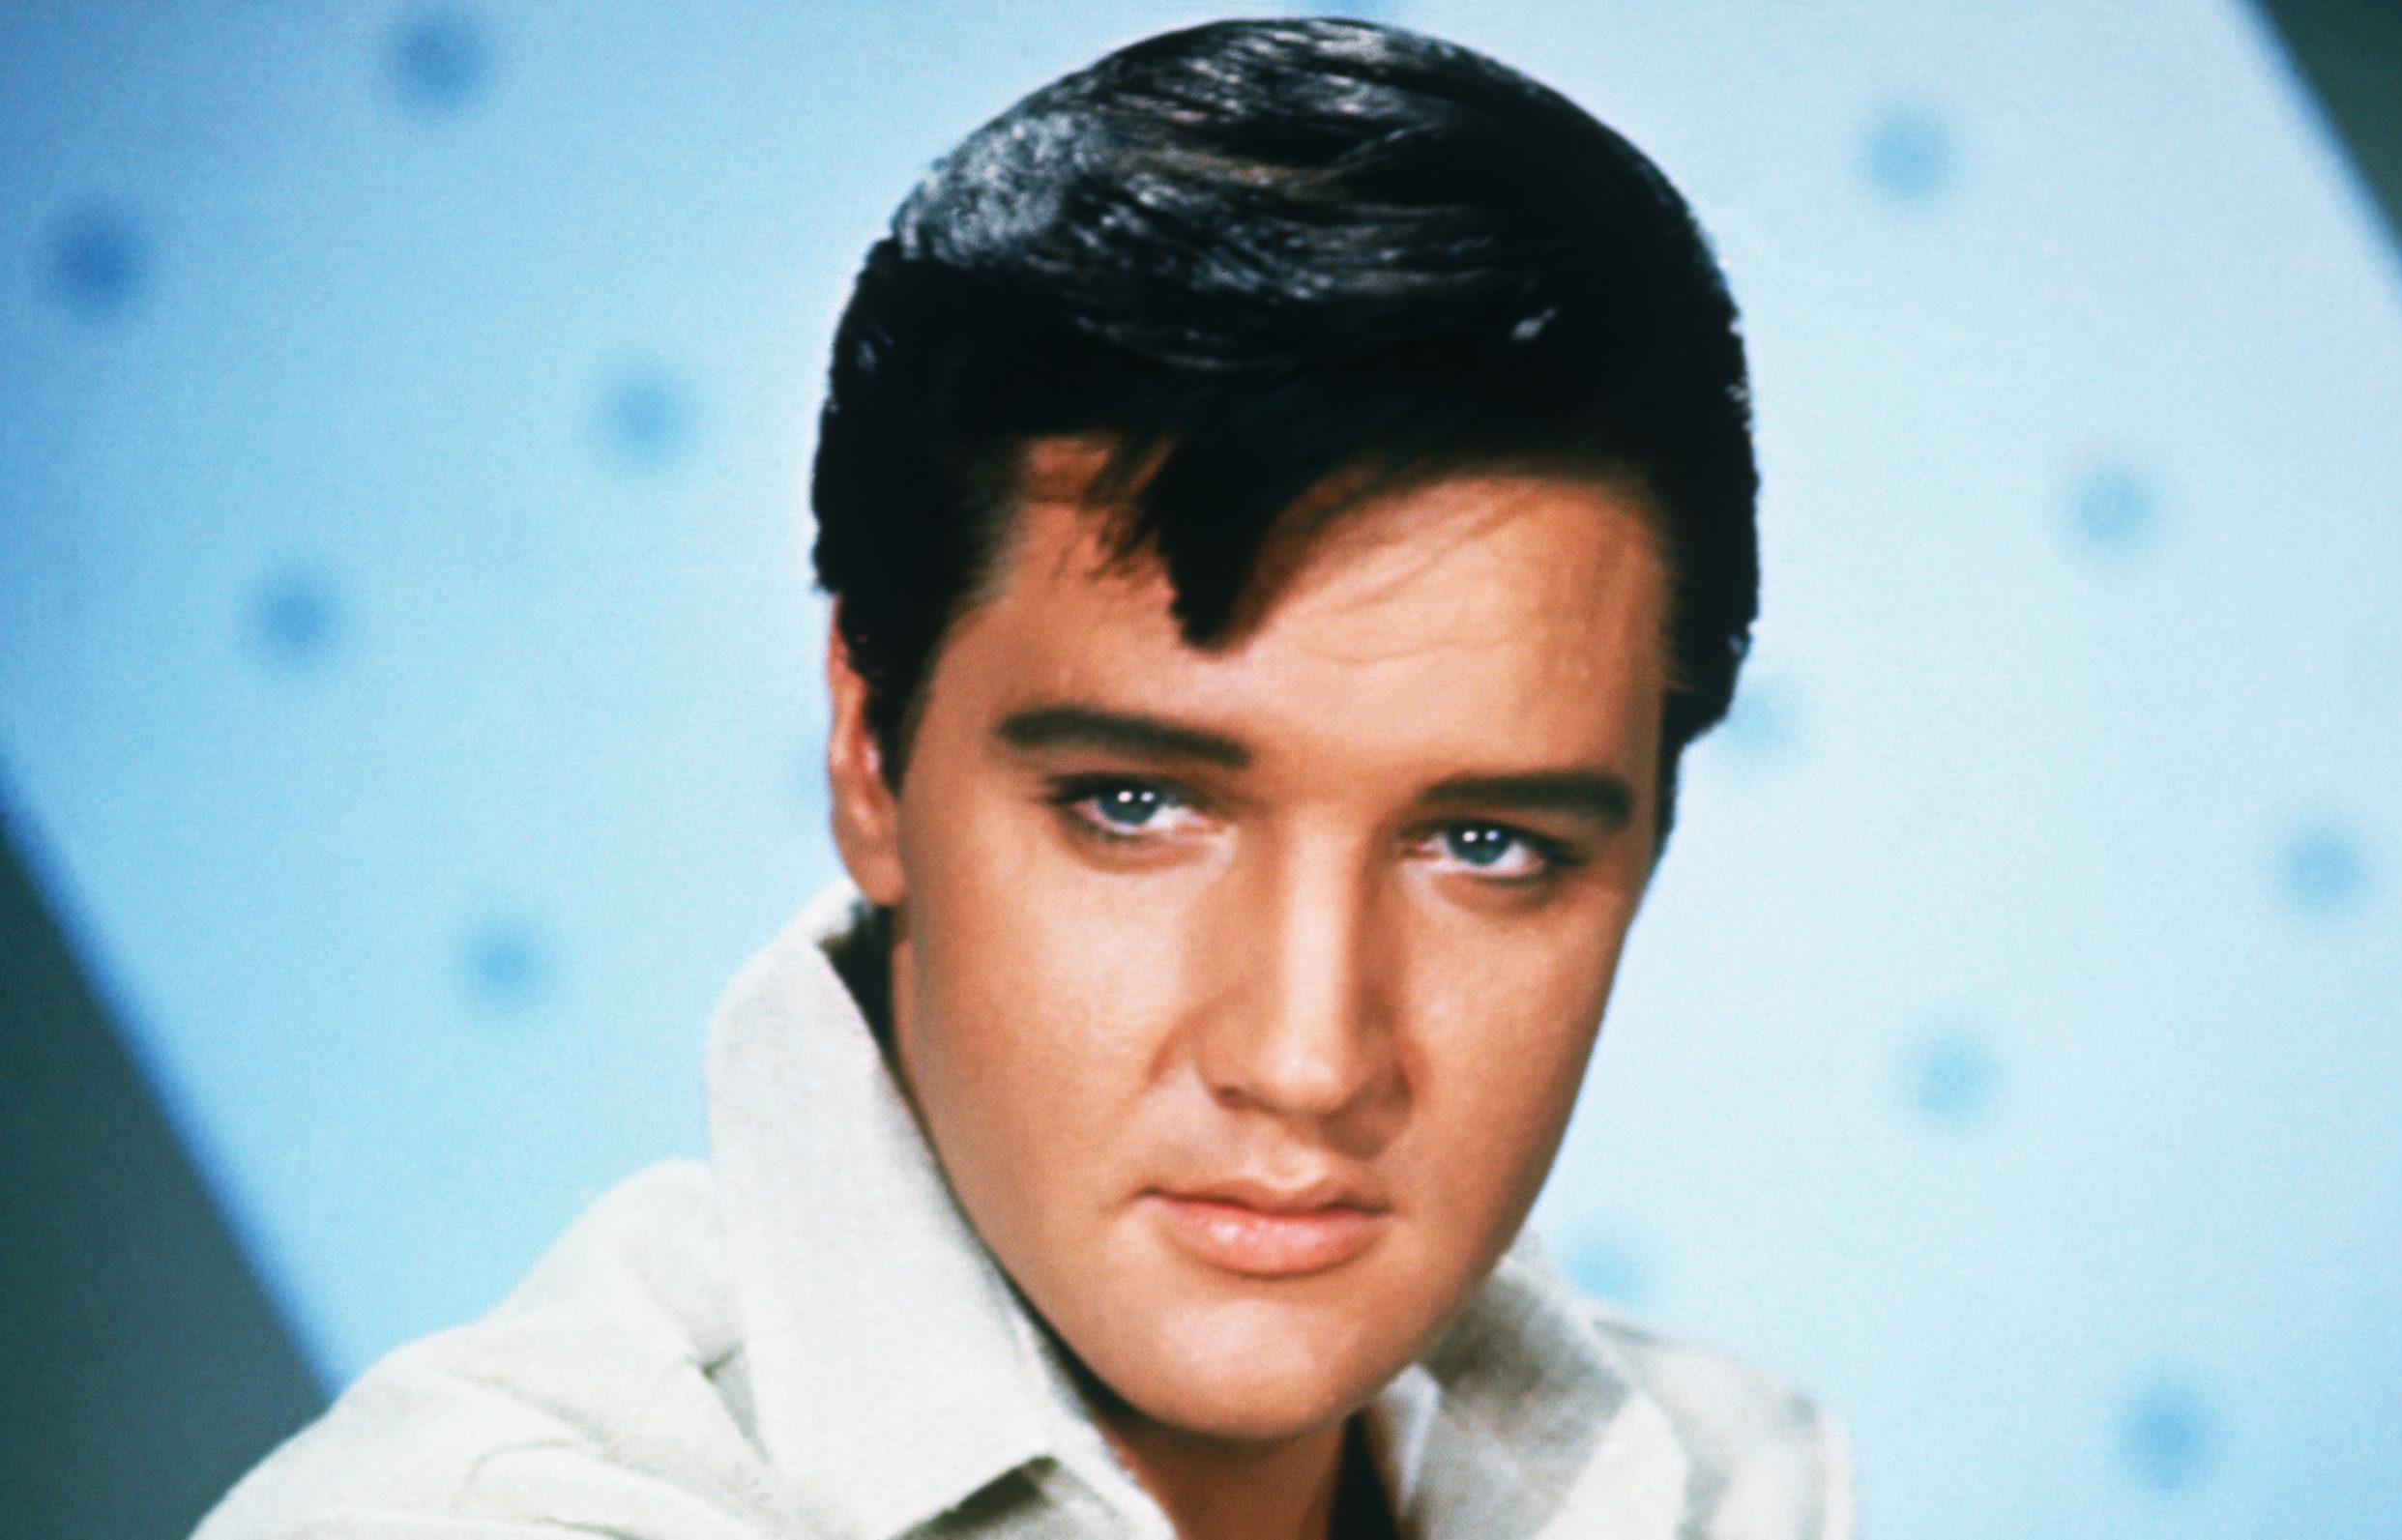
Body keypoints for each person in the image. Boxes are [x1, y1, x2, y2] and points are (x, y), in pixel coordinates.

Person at [198, 18, 1852, 1540]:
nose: (1304, 1056)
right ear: (870, 746)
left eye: (1485, 842)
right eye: (1136, 805)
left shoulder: (1729, 1480)